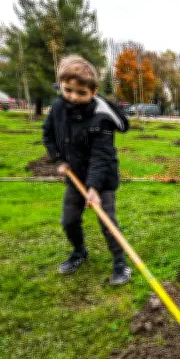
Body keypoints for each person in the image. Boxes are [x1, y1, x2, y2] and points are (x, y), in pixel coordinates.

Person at [42, 55, 131, 286]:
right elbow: (48, 135)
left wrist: (94, 188)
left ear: (93, 91)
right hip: (74, 175)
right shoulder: (58, 107)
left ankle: (120, 262)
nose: (73, 96)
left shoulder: (102, 117)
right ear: (61, 85)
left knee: (107, 221)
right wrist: (59, 160)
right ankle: (79, 252)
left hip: (103, 177)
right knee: (69, 220)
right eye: (68, 90)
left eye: (81, 93)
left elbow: (101, 155)